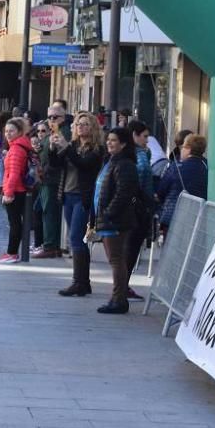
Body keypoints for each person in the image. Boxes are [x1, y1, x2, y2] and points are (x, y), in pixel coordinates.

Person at [50, 112, 105, 297]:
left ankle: (78, 282)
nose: (81, 127)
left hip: (83, 197)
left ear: (93, 128)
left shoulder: (97, 149)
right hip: (67, 193)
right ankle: (84, 282)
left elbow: (83, 164)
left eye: (85, 124)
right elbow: (56, 164)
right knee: (77, 239)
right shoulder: (73, 145)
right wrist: (53, 148)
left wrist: (66, 148)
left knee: (75, 238)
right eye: (78, 124)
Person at [92, 127, 141, 314]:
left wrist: (109, 213)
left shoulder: (125, 164)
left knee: (116, 260)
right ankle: (117, 297)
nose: (109, 143)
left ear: (124, 143)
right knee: (115, 259)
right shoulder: (111, 161)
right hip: (106, 218)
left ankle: (118, 299)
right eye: (108, 140)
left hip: (116, 220)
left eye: (114, 140)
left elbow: (124, 193)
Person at [124, 120, 156, 300]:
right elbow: (142, 173)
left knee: (129, 248)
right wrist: (147, 197)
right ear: (134, 136)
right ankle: (122, 285)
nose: (146, 141)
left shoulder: (135, 153)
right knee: (131, 248)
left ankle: (122, 284)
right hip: (138, 208)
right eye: (144, 137)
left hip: (133, 207)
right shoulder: (140, 155)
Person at [0, 118, 33, 264]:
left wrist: (8, 193)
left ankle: (12, 253)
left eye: (11, 131)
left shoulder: (17, 149)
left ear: (19, 132)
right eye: (6, 131)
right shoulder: (18, 146)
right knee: (16, 222)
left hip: (15, 190)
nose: (8, 134)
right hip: (18, 189)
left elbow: (14, 174)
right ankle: (12, 252)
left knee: (15, 223)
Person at [31, 108, 67, 259]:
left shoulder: (62, 133)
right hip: (45, 178)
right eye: (49, 117)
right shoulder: (50, 134)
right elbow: (44, 153)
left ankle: (50, 245)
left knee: (49, 212)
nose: (51, 119)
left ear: (62, 117)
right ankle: (49, 244)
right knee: (43, 211)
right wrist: (37, 148)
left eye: (55, 117)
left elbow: (58, 156)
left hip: (53, 179)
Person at [157, 133, 209, 234]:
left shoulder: (175, 167)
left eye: (183, 147)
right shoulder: (207, 167)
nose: (181, 150)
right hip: (199, 218)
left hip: (173, 217)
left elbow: (161, 191)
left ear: (189, 149)